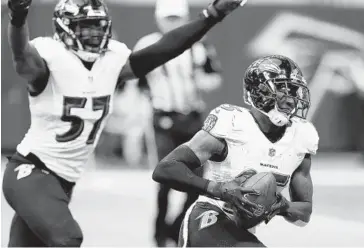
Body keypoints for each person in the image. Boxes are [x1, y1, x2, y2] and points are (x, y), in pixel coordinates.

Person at [2, 0, 247, 246]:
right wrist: (18, 16)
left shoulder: (112, 60)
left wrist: (212, 15)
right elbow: (21, 55)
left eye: (99, 27)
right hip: (32, 172)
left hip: (62, 181)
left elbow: (165, 49)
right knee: (68, 237)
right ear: (65, 29)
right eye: (86, 27)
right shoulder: (50, 56)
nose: (95, 34)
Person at [152, 55, 319, 247]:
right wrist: (218, 189)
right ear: (260, 90)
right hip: (208, 217)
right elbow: (165, 169)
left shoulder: (301, 137)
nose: (291, 100)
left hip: (241, 230)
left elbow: (304, 213)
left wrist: (283, 206)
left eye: (295, 92)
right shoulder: (232, 123)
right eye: (283, 90)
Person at [129, 0, 223, 245]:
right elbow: (137, 84)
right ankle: (160, 233)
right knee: (165, 179)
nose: (172, 22)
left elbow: (214, 78)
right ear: (158, 18)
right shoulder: (147, 44)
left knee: (197, 180)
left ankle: (175, 227)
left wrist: (201, 80)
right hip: (162, 119)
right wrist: (137, 119)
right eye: (168, 18)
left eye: (176, 18)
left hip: (192, 118)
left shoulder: (200, 45)